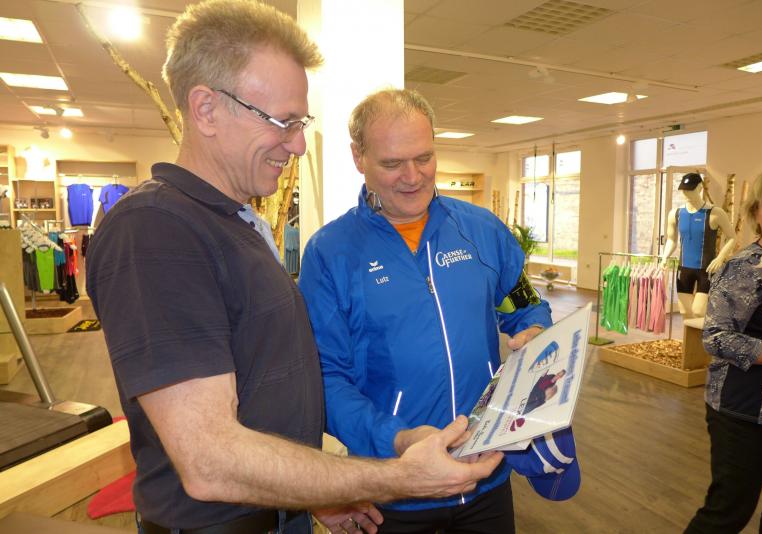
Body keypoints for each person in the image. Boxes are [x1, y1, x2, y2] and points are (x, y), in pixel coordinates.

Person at [85, 3, 503, 533]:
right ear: (206, 109)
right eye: (283, 122)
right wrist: (395, 476)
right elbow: (210, 460)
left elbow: (265, 394)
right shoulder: (155, 229)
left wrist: (315, 495)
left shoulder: (237, 225)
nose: (299, 144)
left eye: (300, 123)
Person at [298, 88, 554, 534]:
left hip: (486, 478)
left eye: (424, 157)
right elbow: (327, 380)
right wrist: (396, 439)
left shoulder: (481, 231)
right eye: (393, 163)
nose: (413, 177)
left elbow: (523, 305)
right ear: (359, 157)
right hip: (393, 491)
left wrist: (533, 330)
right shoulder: (330, 253)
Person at [685, 167, 762, 533]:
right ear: (756, 214)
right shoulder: (746, 267)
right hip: (747, 410)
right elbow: (717, 337)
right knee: (728, 512)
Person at [661, 173, 736, 319]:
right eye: (684, 190)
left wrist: (720, 258)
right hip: (684, 268)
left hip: (706, 269)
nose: (686, 193)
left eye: (690, 189)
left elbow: (732, 237)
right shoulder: (676, 213)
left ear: (700, 187)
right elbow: (671, 239)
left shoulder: (714, 213)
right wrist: (664, 257)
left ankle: (702, 334)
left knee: (698, 311)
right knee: (686, 312)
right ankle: (688, 336)